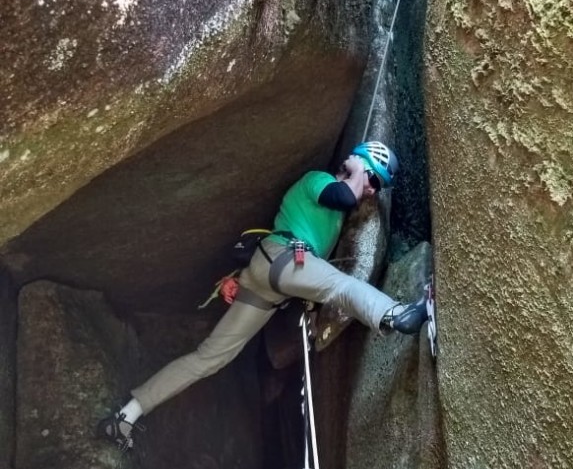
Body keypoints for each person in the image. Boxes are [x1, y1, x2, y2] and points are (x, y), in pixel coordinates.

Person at [96, 141, 429, 451]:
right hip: (282, 259)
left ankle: (126, 415)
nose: (371, 190)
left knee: (210, 357)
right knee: (339, 287)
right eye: (374, 179)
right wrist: (358, 169)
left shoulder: (334, 215)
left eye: (376, 186)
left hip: (269, 285)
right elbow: (340, 197)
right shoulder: (317, 181)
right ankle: (397, 315)